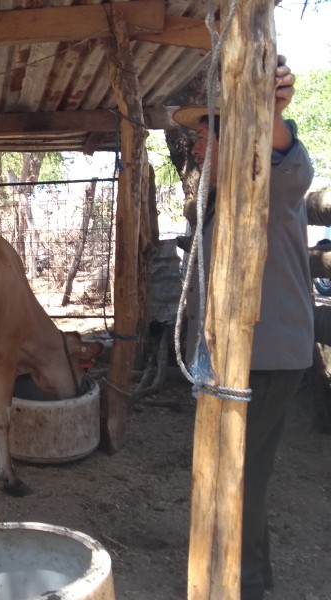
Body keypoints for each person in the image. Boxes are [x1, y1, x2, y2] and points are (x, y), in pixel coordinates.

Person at [175, 55, 314, 600]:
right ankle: (226, 575)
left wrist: (270, 108)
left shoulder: (272, 183)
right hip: (228, 357)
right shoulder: (217, 198)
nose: (200, 145)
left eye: (210, 132)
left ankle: (247, 587)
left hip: (267, 356)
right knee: (223, 473)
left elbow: (286, 156)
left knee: (241, 480)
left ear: (239, 135)